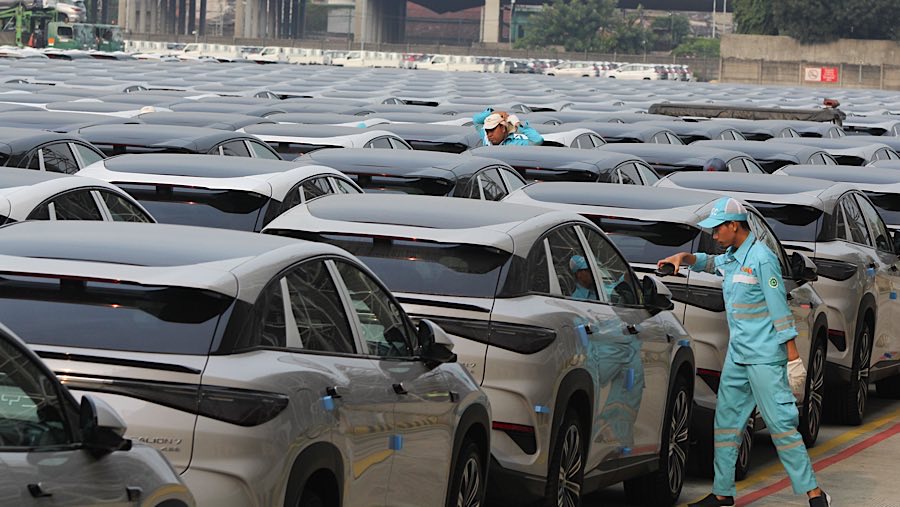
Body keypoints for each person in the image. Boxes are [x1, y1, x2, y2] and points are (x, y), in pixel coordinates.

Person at [657, 197, 830, 507]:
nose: (714, 235)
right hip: (738, 358)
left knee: (781, 426)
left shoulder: (762, 259)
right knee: (726, 426)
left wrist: (793, 358)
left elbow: (779, 309)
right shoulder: (733, 257)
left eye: (717, 229)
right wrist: (683, 258)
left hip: (764, 359)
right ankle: (722, 493)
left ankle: (815, 495)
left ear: (734, 226)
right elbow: (711, 263)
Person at [473, 108, 543, 146]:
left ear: (503, 128)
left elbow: (537, 140)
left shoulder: (514, 144)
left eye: (492, 130)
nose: (489, 135)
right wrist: (493, 113)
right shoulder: (485, 137)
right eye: (487, 131)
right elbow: (476, 120)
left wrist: (518, 125)